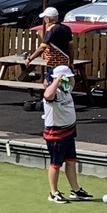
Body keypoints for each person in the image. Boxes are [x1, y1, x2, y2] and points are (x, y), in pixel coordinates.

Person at [42, 58, 93, 203]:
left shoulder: (66, 90)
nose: (69, 80)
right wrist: (57, 79)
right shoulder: (53, 93)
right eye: (67, 78)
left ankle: (75, 190)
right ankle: (53, 193)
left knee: (71, 161)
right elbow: (47, 94)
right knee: (56, 164)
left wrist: (69, 74)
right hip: (56, 134)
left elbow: (72, 82)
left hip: (69, 132)